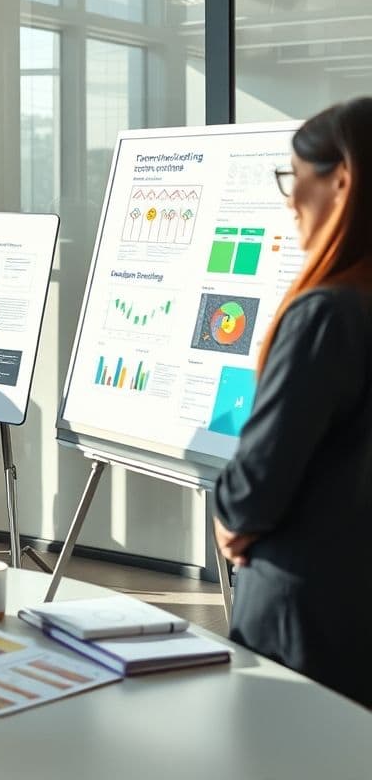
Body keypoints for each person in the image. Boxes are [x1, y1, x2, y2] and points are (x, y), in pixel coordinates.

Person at [214, 97, 372, 710]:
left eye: (295, 178)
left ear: (342, 180)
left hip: (303, 624)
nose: (289, 200)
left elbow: (254, 487)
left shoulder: (326, 315)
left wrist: (230, 515)